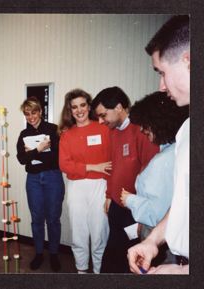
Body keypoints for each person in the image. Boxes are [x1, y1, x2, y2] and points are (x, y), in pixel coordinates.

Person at [127, 15, 190, 274]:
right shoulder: (188, 130)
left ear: (189, 61)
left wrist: (184, 272)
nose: (161, 86)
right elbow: (186, 200)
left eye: (162, 72)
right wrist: (153, 241)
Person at [91, 86, 159, 273]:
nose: (101, 120)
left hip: (134, 211)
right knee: (113, 258)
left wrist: (142, 218)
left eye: (103, 115)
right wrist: (108, 195)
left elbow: (151, 175)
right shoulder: (113, 131)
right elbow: (114, 167)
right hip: (116, 206)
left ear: (119, 107)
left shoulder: (142, 130)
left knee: (128, 263)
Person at [120, 91, 189, 265]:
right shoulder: (171, 149)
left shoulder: (165, 160)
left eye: (145, 125)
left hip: (159, 237)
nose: (142, 130)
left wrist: (129, 200)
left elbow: (158, 213)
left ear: (158, 123)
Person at [58, 89, 111, 274]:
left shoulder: (104, 129)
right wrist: (93, 167)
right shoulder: (67, 135)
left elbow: (113, 161)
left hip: (100, 186)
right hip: (77, 187)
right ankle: (81, 271)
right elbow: (65, 165)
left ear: (89, 107)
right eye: (74, 107)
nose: (79, 110)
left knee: (99, 232)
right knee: (79, 232)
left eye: (82, 105)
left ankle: (98, 271)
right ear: (70, 110)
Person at [16, 97, 65, 272]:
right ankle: (38, 253)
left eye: (34, 112)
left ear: (40, 111)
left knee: (53, 219)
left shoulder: (53, 130)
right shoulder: (24, 134)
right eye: (27, 114)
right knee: (37, 219)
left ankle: (53, 254)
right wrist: (40, 149)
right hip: (34, 179)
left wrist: (33, 154)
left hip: (52, 177)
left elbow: (57, 157)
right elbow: (21, 159)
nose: (31, 117)